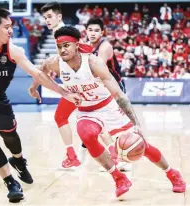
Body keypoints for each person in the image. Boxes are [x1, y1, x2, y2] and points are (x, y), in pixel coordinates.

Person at [31, 25, 186, 198]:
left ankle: (173, 174)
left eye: (66, 45)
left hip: (108, 106)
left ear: (77, 45)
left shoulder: (93, 62)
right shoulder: (55, 62)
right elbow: (40, 72)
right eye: (59, 46)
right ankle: (119, 178)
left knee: (142, 146)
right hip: (86, 110)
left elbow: (119, 94)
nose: (62, 49)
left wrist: (136, 124)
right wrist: (34, 88)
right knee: (86, 134)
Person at [0, 7, 81, 203]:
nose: (11, 31)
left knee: (11, 137)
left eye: (11, 27)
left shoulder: (13, 51)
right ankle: (10, 182)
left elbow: (37, 74)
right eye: (7, 27)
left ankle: (18, 160)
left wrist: (62, 92)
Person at [29, 2, 95, 169]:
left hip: (80, 84)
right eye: (45, 18)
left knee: (89, 120)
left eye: (50, 16)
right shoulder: (58, 33)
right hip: (78, 83)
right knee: (69, 118)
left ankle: (113, 157)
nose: (47, 20)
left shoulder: (62, 33)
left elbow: (84, 52)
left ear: (59, 16)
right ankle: (74, 156)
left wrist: (35, 85)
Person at [85, 17, 131, 171]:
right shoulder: (87, 47)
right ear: (86, 31)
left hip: (114, 87)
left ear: (102, 32)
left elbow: (98, 69)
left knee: (118, 125)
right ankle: (116, 157)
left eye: (96, 30)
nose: (93, 33)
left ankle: (125, 156)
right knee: (104, 126)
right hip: (101, 89)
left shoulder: (104, 47)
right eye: (90, 30)